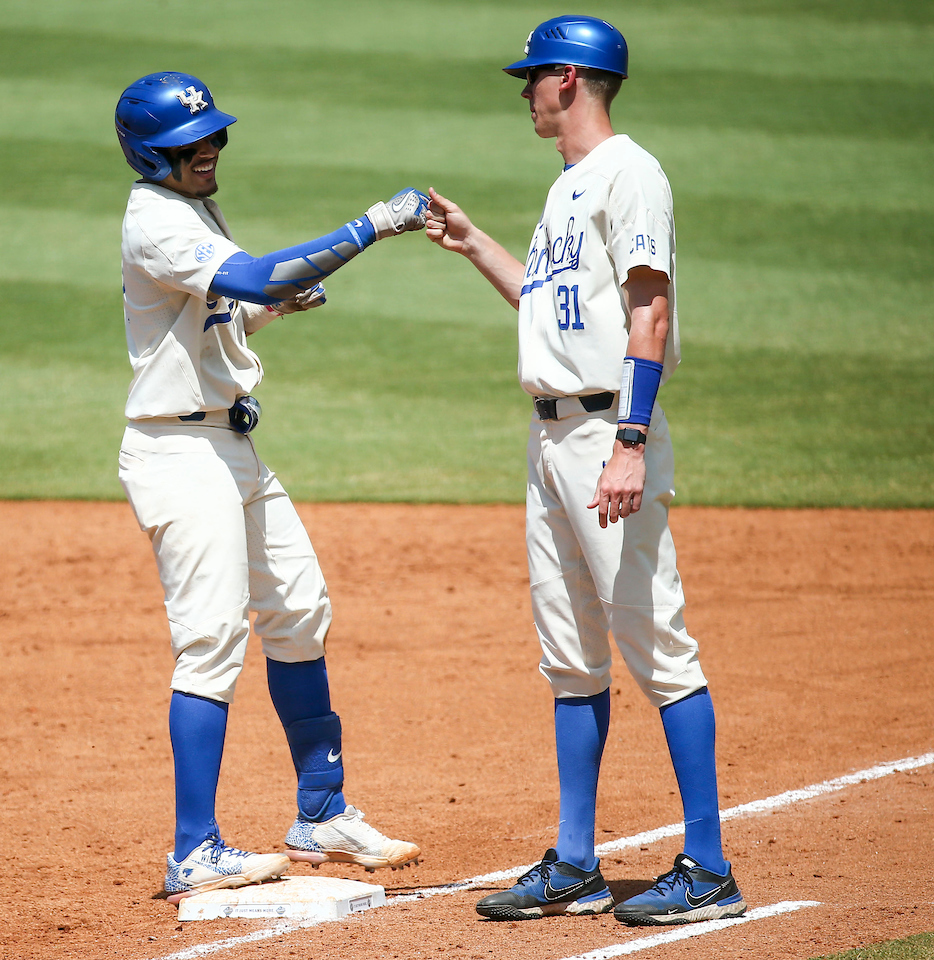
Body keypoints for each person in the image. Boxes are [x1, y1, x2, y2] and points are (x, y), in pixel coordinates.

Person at [424, 17, 747, 925]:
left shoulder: (629, 173)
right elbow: (547, 308)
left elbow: (651, 312)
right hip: (552, 442)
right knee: (569, 655)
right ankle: (575, 864)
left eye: (532, 77)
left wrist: (631, 440)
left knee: (658, 644)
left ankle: (709, 868)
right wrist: (473, 241)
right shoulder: (567, 186)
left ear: (568, 79)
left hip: (609, 430)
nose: (525, 91)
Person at [114, 72, 427, 897]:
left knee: (298, 609)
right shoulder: (155, 217)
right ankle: (193, 849)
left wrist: (273, 309)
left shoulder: (194, 209)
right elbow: (251, 276)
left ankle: (321, 812)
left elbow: (222, 307)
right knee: (211, 640)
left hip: (231, 446)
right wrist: (373, 224)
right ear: (149, 153)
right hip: (180, 453)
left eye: (212, 135)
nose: (207, 149)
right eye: (188, 143)